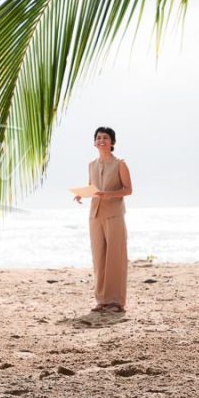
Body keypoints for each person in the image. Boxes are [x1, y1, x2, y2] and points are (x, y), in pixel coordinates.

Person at [74, 126, 133, 313]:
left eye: (105, 138)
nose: (101, 140)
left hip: (114, 214)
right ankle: (102, 300)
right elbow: (92, 187)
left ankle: (116, 301)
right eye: (98, 137)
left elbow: (128, 190)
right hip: (95, 215)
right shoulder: (91, 165)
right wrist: (82, 194)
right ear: (94, 142)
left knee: (115, 257)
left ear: (112, 142)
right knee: (99, 257)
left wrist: (107, 195)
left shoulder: (120, 164)